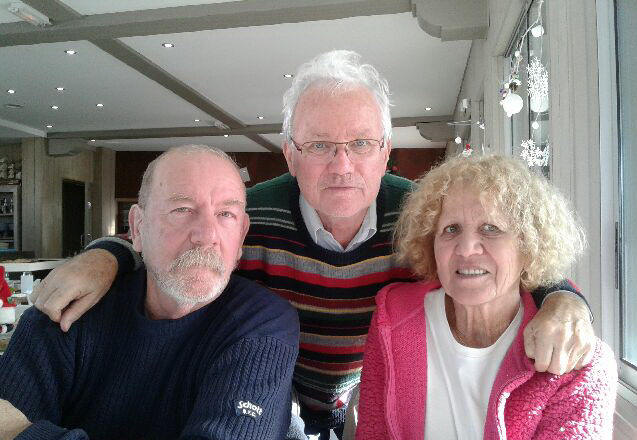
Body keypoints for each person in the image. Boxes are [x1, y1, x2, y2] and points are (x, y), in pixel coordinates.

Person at [30, 51, 595, 439]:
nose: (342, 165)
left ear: (385, 151)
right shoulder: (251, 214)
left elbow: (502, 255)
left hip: (374, 395)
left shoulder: (426, 216)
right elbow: (174, 239)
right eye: (320, 145)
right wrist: (104, 256)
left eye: (360, 144)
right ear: (290, 154)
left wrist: (564, 299)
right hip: (269, 397)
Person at [0, 145, 299, 440]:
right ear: (137, 227)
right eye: (182, 209)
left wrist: (25, 434)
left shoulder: (263, 326)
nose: (207, 235)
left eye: (226, 214)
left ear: (242, 235)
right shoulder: (68, 310)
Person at [355, 155, 617, 439]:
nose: (466, 248)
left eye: (491, 229)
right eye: (451, 229)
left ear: (529, 245)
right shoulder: (393, 318)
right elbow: (372, 432)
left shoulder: (576, 360)